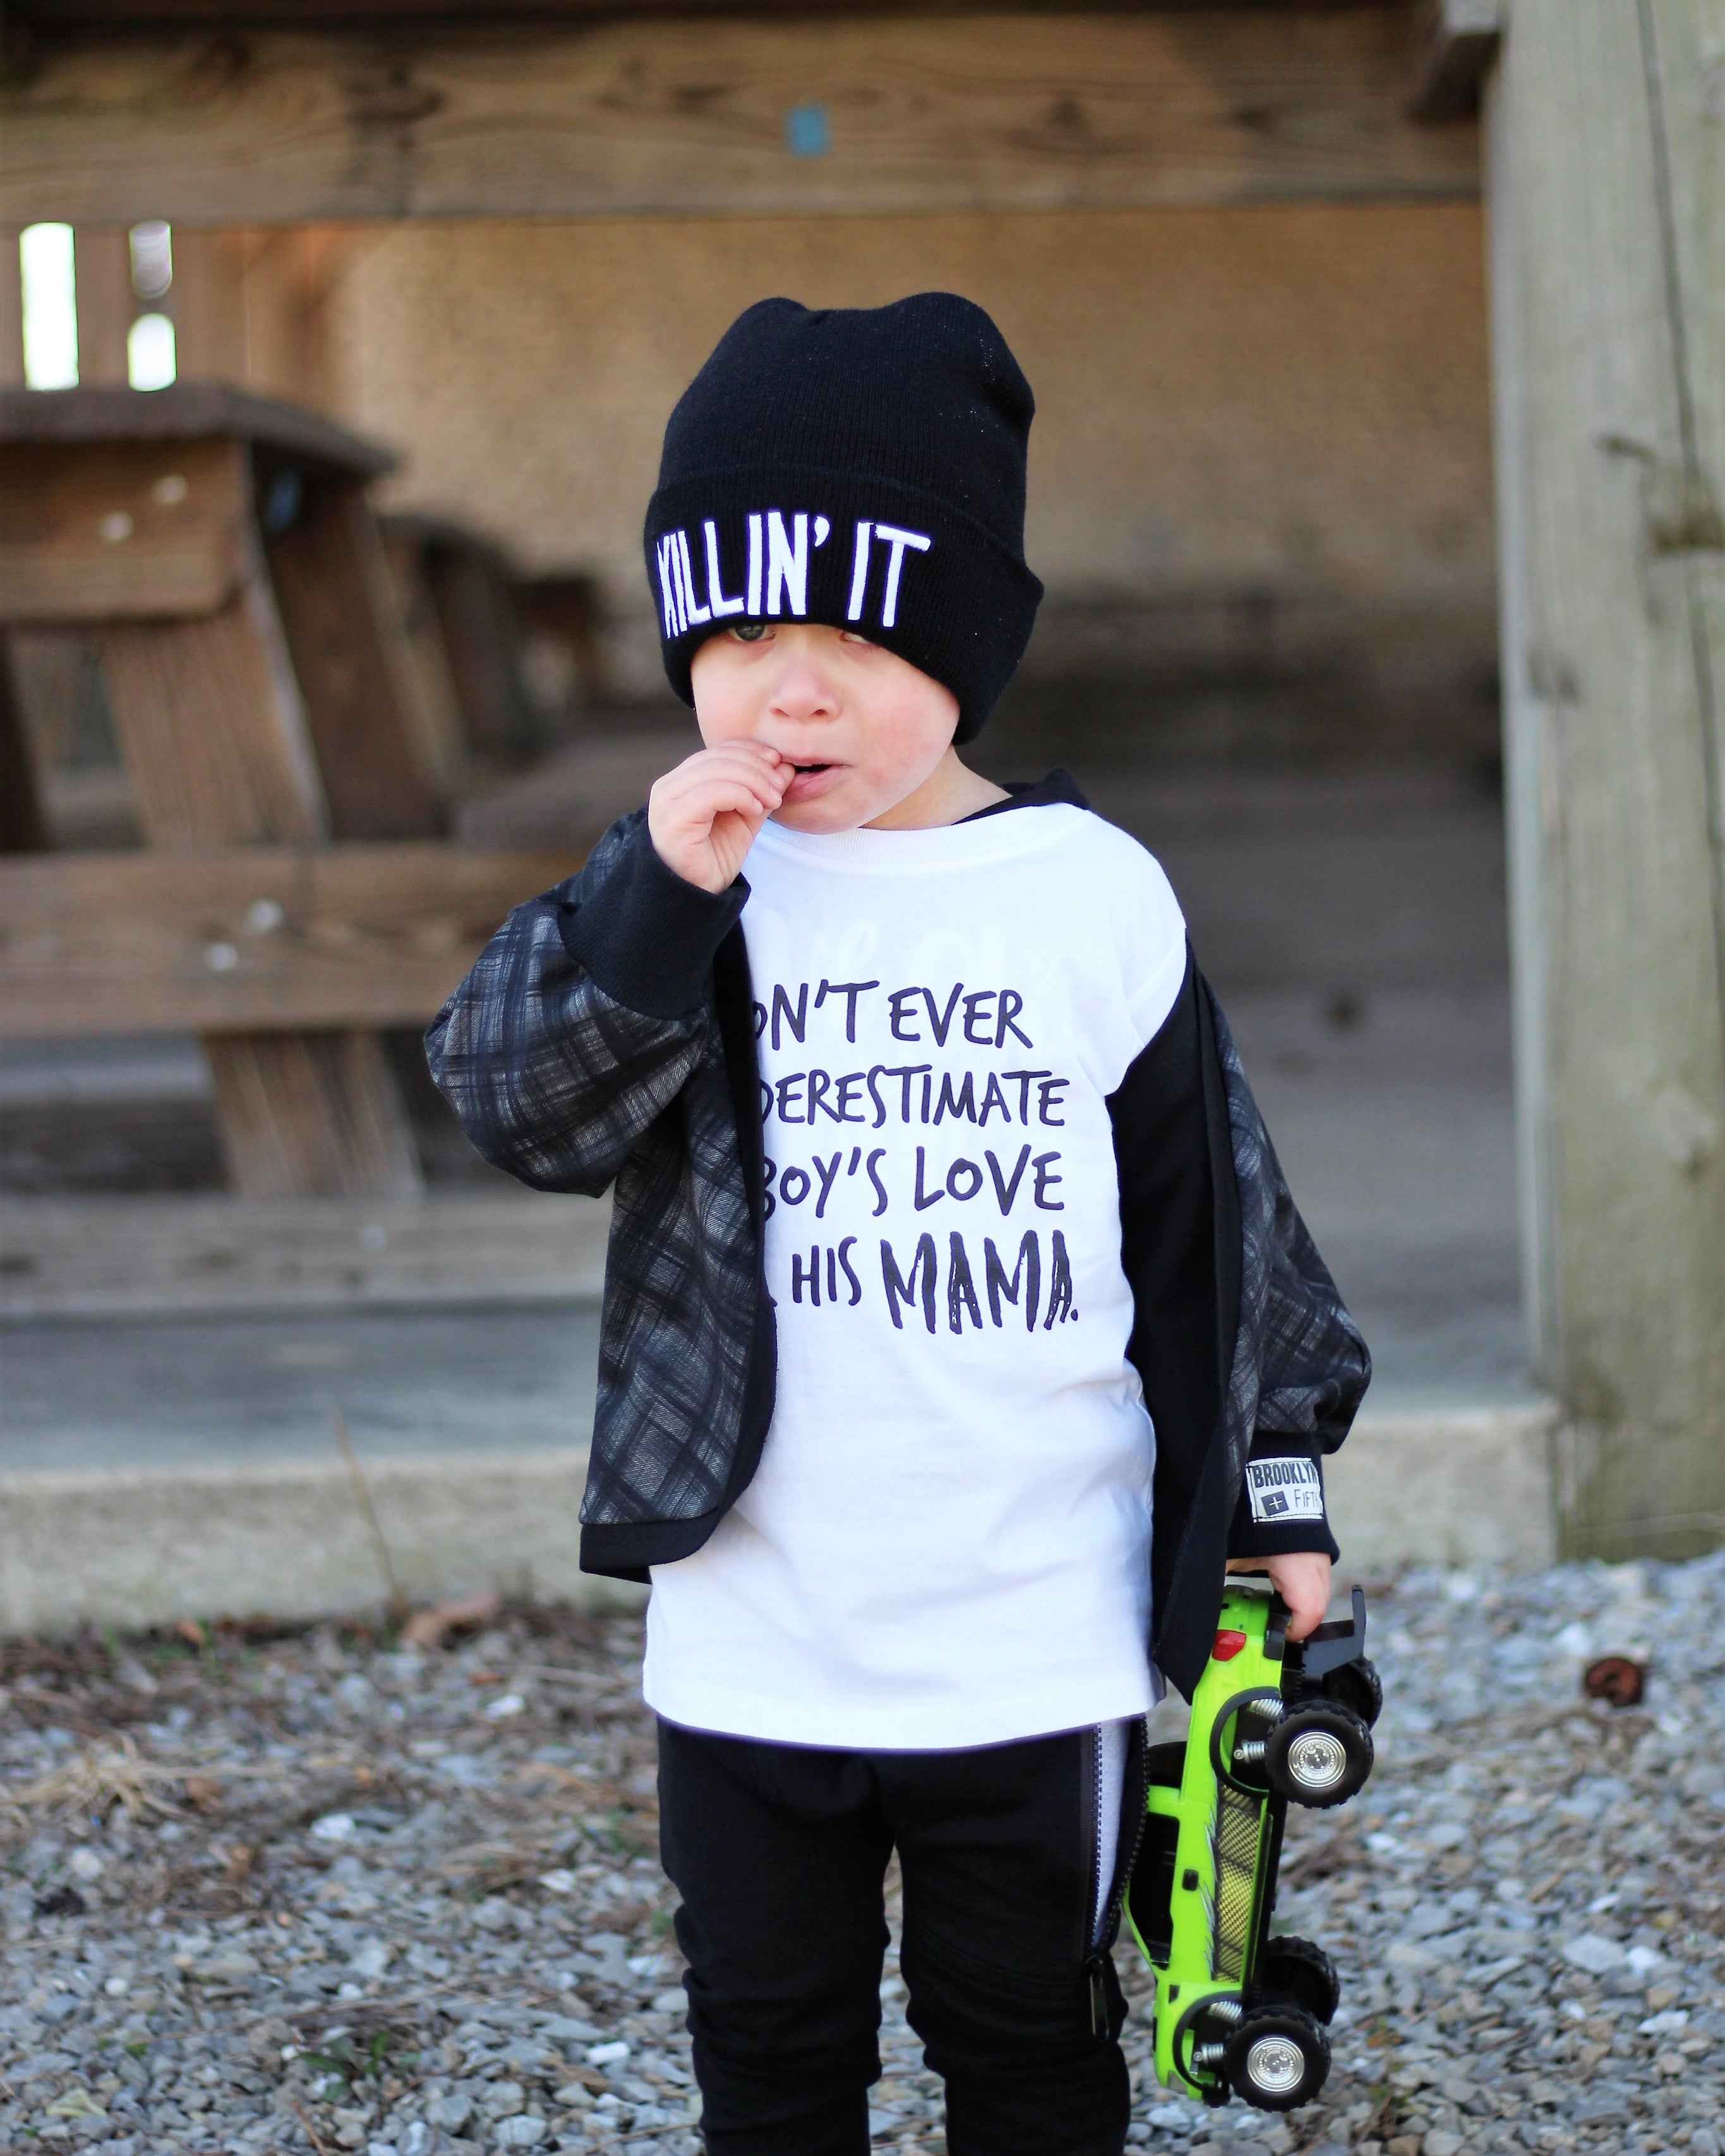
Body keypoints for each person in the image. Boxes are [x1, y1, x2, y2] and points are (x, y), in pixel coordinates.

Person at [427, 293, 1369, 2156]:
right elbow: (514, 1106)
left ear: (967, 640)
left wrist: (1274, 1499)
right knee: (767, 2036)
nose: (794, 694)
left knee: (1023, 2030)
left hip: (1029, 1622)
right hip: (754, 1626)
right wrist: (649, 909)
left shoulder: (1086, 893)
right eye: (740, 635)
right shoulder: (687, 886)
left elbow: (1216, 1234)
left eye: (860, 637)